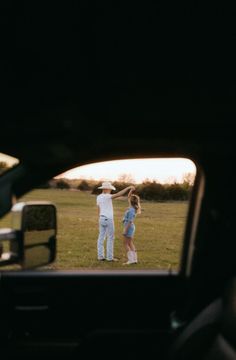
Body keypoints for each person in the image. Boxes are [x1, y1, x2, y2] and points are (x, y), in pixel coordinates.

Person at [97, 181, 135, 261]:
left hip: (101, 218)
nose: (111, 190)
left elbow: (99, 209)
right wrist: (128, 188)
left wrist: (99, 218)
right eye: (110, 189)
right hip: (108, 219)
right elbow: (119, 194)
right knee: (110, 238)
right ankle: (110, 258)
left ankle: (100, 256)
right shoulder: (107, 196)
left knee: (101, 237)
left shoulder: (99, 197)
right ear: (107, 189)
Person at [122, 189, 141, 265]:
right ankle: (135, 259)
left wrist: (125, 230)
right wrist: (131, 190)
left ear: (130, 201)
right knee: (130, 243)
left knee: (125, 243)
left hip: (129, 227)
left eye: (129, 199)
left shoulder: (131, 210)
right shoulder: (132, 208)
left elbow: (130, 221)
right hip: (131, 227)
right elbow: (128, 196)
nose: (128, 199)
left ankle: (130, 260)